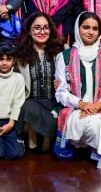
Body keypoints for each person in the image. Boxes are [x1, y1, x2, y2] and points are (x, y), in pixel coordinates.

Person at [54, 11, 101, 168]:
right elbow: (61, 92)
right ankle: (96, 151)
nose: (90, 32)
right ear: (77, 29)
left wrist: (96, 106)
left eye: (95, 29)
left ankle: (96, 151)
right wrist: (82, 104)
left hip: (100, 109)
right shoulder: (64, 57)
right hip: (74, 111)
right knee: (95, 125)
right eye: (86, 27)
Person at [12, 12, 65, 153]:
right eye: (37, 28)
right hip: (32, 101)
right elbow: (6, 73)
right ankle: (32, 141)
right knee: (29, 107)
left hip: (54, 101)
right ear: (29, 31)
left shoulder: (61, 50)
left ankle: (46, 142)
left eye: (46, 27)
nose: (42, 31)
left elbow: (72, 74)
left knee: (58, 114)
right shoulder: (19, 53)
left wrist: (64, 83)